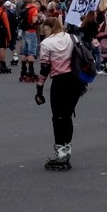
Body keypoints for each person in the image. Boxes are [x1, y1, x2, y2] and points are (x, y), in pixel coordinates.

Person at [37, 16, 85, 170]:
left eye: (45, 29)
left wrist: (39, 89)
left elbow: (45, 69)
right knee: (68, 115)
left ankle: (60, 153)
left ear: (48, 28)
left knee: (57, 117)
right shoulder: (72, 37)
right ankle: (67, 149)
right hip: (75, 81)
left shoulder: (46, 43)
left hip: (59, 81)